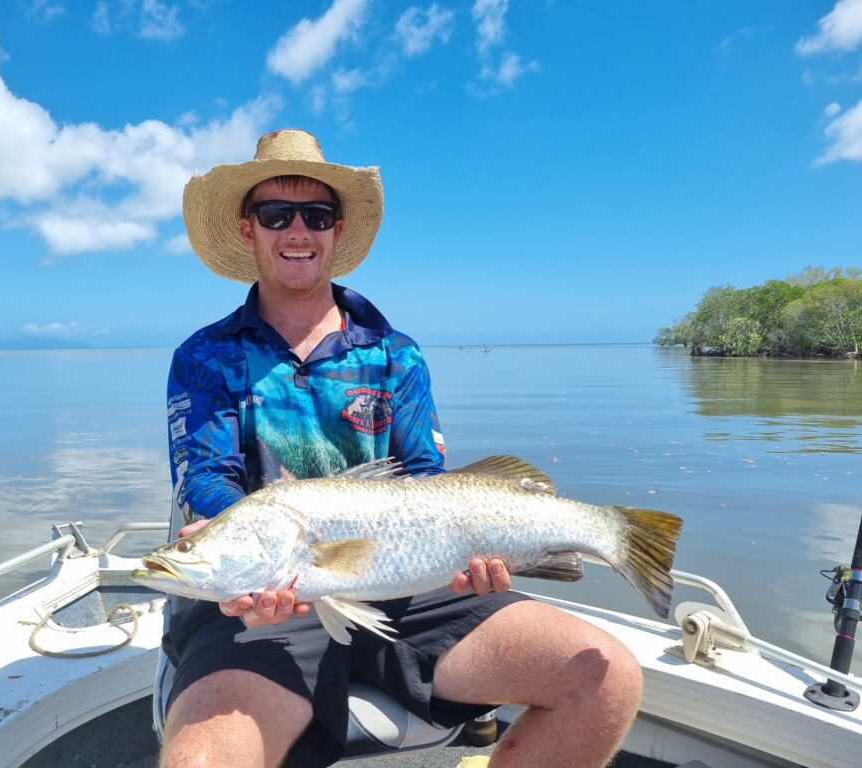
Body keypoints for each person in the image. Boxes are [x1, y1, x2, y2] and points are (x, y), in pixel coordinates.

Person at [159, 129, 642, 768]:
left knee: (605, 679)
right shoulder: (205, 357)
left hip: (411, 589)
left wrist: (470, 556)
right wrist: (247, 566)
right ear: (249, 230)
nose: (298, 230)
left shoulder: (395, 354)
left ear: (336, 231)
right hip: (261, 605)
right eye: (277, 214)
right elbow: (209, 478)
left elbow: (424, 478)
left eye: (317, 214)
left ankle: (609, 535)